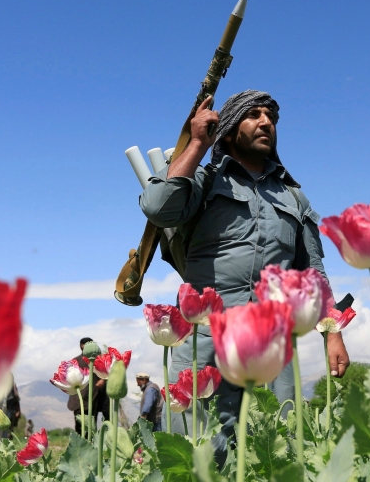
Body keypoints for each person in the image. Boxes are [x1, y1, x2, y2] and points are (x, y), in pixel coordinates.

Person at [139, 90, 350, 464]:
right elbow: (158, 208)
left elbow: (312, 271)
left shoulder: (293, 196)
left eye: (270, 116)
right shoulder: (203, 179)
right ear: (231, 127)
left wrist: (332, 330)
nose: (266, 122)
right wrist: (199, 144)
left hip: (272, 341)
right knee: (199, 452)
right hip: (204, 338)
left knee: (280, 446)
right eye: (254, 115)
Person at [66, 337, 111, 434]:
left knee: (92, 420)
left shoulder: (98, 359)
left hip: (94, 395)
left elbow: (107, 371)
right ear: (82, 346)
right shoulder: (76, 361)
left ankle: (91, 441)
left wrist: (103, 380)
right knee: (79, 421)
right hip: (79, 397)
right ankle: (80, 441)